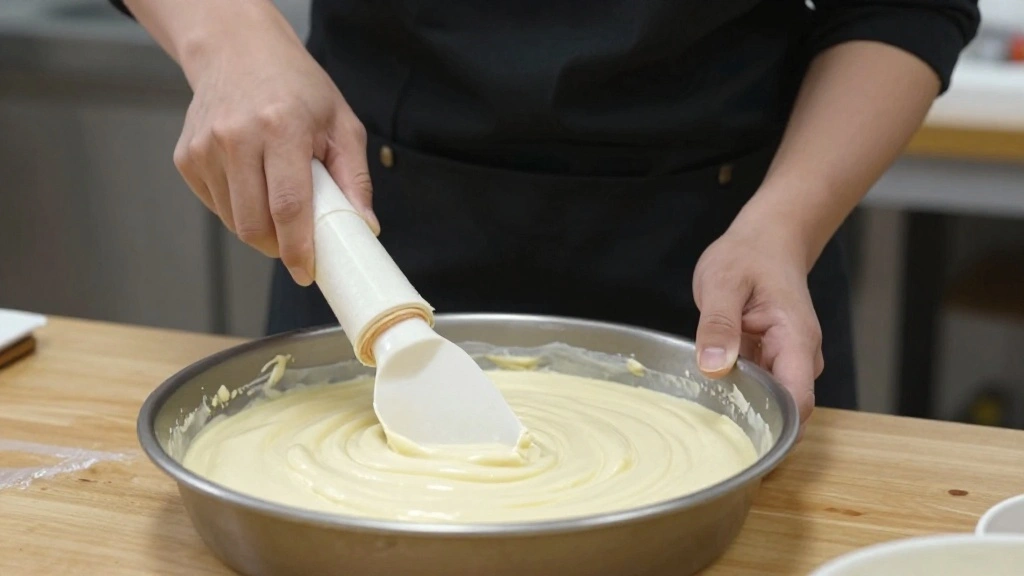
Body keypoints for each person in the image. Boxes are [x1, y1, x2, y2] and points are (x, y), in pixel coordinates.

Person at [111, 0, 979, 430]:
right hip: (368, 240)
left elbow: (902, 3)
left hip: (726, 258)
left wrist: (783, 224)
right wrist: (227, 36)